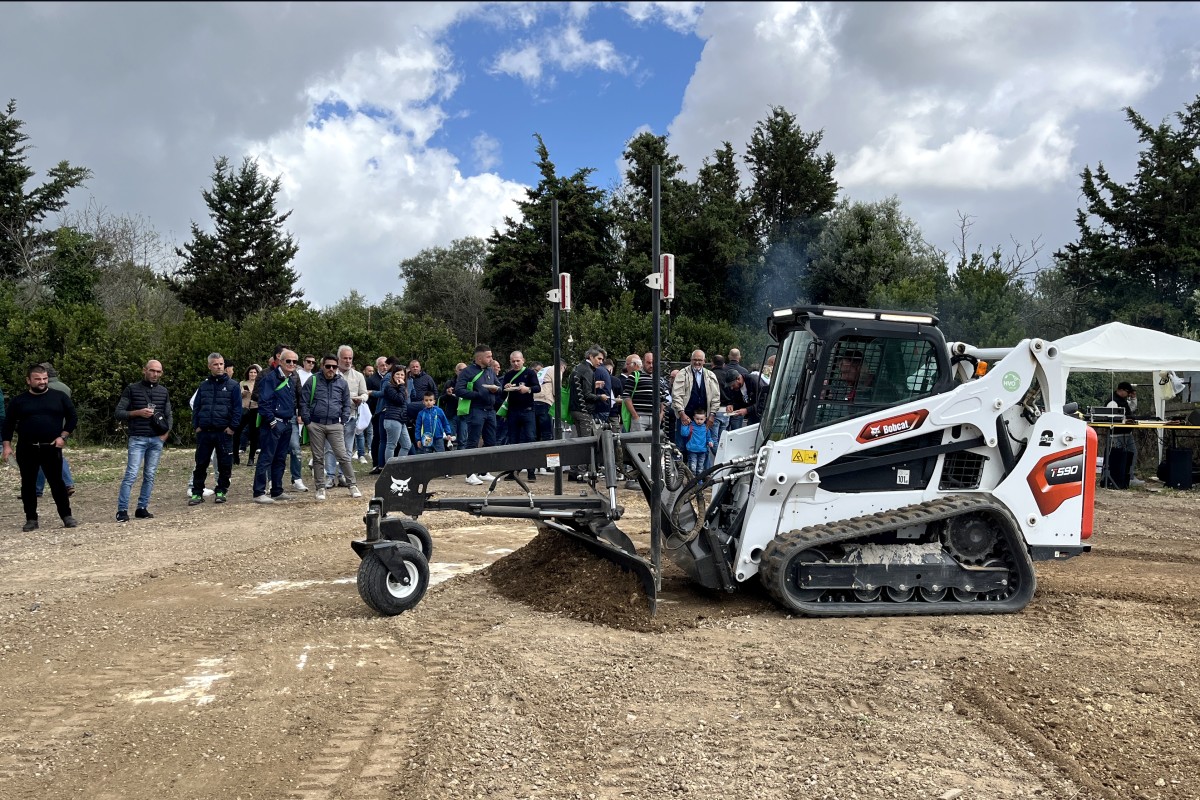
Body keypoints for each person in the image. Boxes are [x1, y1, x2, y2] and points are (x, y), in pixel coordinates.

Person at [2, 364, 78, 531]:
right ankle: (31, 519)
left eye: (44, 379)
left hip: (51, 447)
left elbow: (72, 417)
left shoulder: (59, 397)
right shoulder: (19, 401)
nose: (42, 382)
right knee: (28, 484)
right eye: (38, 379)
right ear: (28, 380)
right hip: (27, 448)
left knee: (57, 483)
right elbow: (7, 424)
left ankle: (66, 516)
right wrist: (6, 446)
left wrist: (63, 436)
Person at [114, 359, 172, 522]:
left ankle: (142, 508)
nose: (155, 374)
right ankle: (122, 510)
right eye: (152, 370)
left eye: (158, 371)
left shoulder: (163, 391)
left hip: (156, 439)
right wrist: (137, 412)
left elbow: (169, 414)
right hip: (138, 438)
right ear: (144, 370)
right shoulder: (132, 389)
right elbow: (118, 412)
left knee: (150, 475)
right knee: (131, 474)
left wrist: (165, 434)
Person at [300, 355, 362, 501]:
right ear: (322, 366)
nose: (331, 369)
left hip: (335, 424)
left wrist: (344, 419)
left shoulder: (341, 383)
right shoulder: (313, 380)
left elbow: (346, 402)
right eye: (328, 366)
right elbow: (303, 401)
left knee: (343, 455)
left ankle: (352, 484)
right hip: (316, 424)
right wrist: (307, 421)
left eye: (334, 367)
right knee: (318, 457)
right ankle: (320, 487)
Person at [189, 353, 242, 506]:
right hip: (205, 432)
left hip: (223, 432)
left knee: (225, 463)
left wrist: (232, 427)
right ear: (209, 366)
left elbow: (237, 409)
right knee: (201, 464)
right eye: (215, 364)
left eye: (221, 364)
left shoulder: (233, 385)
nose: (219, 367)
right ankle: (197, 492)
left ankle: (221, 490)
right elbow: (197, 407)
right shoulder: (203, 385)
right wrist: (197, 426)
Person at [253, 348, 301, 503]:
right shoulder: (270, 378)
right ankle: (259, 492)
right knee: (266, 457)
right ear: (280, 361)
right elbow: (263, 402)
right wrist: (272, 422)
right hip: (274, 424)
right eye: (288, 361)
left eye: (294, 361)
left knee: (280, 458)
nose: (292, 364)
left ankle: (277, 490)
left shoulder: (292, 378)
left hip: (287, 423)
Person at [455, 345, 501, 485]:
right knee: (473, 442)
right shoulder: (468, 372)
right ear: (479, 358)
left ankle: (484, 471)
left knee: (490, 442)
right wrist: (477, 394)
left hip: (490, 410)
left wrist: (496, 390)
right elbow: (459, 390)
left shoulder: (490, 371)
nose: (491, 359)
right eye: (488, 356)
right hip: (476, 410)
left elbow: (499, 387)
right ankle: (469, 474)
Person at [324, 345, 368, 488]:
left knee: (347, 449)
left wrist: (361, 398)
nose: (348, 361)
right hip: (332, 418)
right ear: (338, 359)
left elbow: (365, 394)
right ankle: (330, 476)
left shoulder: (359, 376)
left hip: (351, 417)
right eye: (345, 358)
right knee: (330, 448)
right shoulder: (330, 373)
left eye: (350, 358)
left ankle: (343, 476)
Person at [671, 350, 721, 469]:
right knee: (681, 445)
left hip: (703, 418)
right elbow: (676, 395)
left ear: (704, 361)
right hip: (685, 416)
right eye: (695, 359)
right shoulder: (683, 374)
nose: (697, 362)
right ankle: (677, 474)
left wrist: (712, 415)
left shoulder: (710, 375)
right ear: (691, 360)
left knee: (704, 446)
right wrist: (681, 414)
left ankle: (704, 474)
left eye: (700, 360)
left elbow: (716, 397)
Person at [34, 362, 76, 498]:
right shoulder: (65, 387)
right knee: (46, 456)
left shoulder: (46, 389)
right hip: (63, 427)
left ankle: (67, 484)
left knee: (52, 456)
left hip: (50, 427)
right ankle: (37, 488)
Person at [500, 350, 541, 481]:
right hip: (513, 411)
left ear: (523, 360)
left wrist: (528, 389)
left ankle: (531, 471)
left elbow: (537, 388)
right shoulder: (508, 374)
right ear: (510, 362)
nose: (516, 363)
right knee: (513, 441)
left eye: (518, 360)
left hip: (528, 410)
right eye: (513, 361)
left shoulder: (529, 373)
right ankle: (513, 471)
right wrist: (506, 387)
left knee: (530, 439)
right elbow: (502, 392)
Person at [1105, 381, 1144, 488]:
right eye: (1128, 392)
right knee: (1119, 457)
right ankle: (1119, 477)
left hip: (1126, 433)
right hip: (1117, 434)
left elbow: (1130, 410)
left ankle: (1129, 477)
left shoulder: (1122, 400)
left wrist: (1133, 398)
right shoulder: (1113, 401)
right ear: (1121, 390)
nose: (1129, 395)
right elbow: (1111, 418)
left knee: (1132, 453)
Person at [379, 362, 412, 469]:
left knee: (407, 445)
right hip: (392, 419)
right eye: (397, 374)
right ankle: (389, 469)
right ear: (393, 375)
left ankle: (399, 467)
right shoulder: (389, 387)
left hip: (400, 419)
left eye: (402, 375)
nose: (400, 377)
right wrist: (401, 386)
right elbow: (399, 399)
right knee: (391, 445)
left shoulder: (400, 388)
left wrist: (401, 387)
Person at [235, 364, 261, 465]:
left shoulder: (259, 384)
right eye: (251, 372)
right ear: (248, 373)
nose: (253, 374)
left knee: (254, 434)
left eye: (255, 372)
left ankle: (251, 458)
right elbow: (236, 397)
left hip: (255, 409)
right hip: (243, 409)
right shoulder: (242, 383)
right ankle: (235, 457)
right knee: (237, 432)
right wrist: (243, 394)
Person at [680, 409, 715, 476]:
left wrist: (710, 442)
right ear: (693, 418)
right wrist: (684, 424)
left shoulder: (706, 427)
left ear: (705, 419)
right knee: (693, 467)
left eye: (701, 419)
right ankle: (692, 480)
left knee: (700, 467)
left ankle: (699, 480)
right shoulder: (691, 426)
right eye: (697, 419)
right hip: (692, 450)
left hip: (702, 451)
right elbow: (684, 433)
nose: (699, 421)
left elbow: (708, 438)